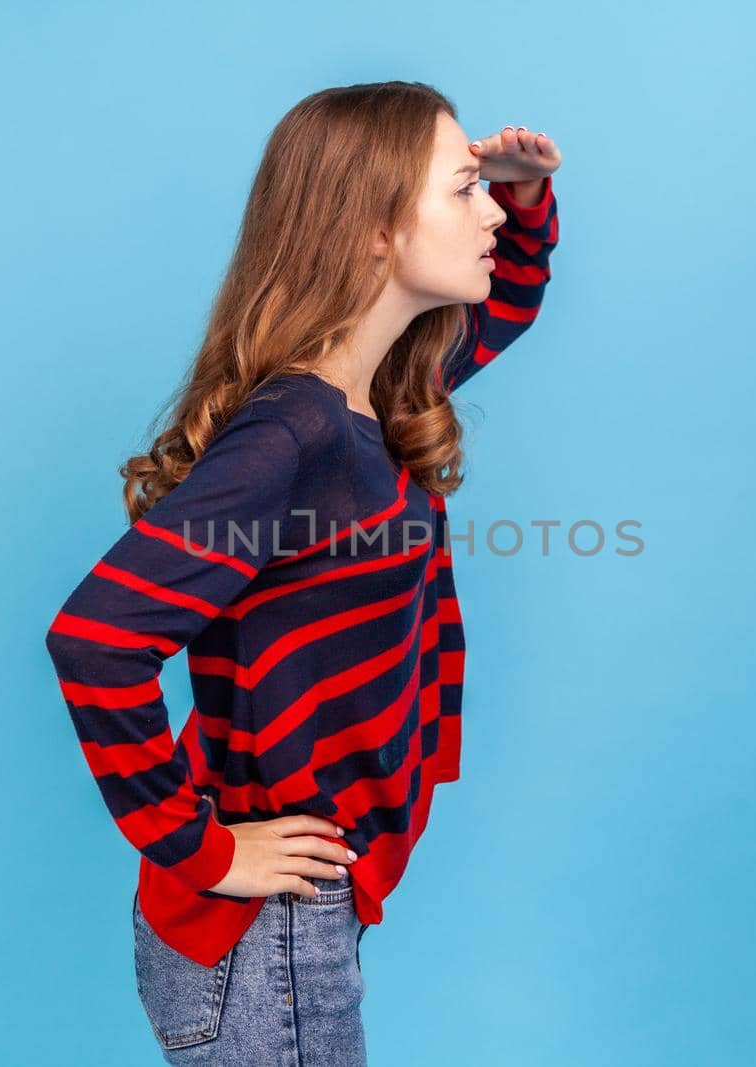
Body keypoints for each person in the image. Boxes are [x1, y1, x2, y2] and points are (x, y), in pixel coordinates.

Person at [43, 80, 561, 1064]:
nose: (489, 209)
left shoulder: (381, 398)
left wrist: (525, 201)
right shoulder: (297, 433)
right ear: (373, 229)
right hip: (264, 930)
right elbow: (97, 638)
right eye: (464, 191)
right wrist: (205, 849)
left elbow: (507, 305)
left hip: (303, 914)